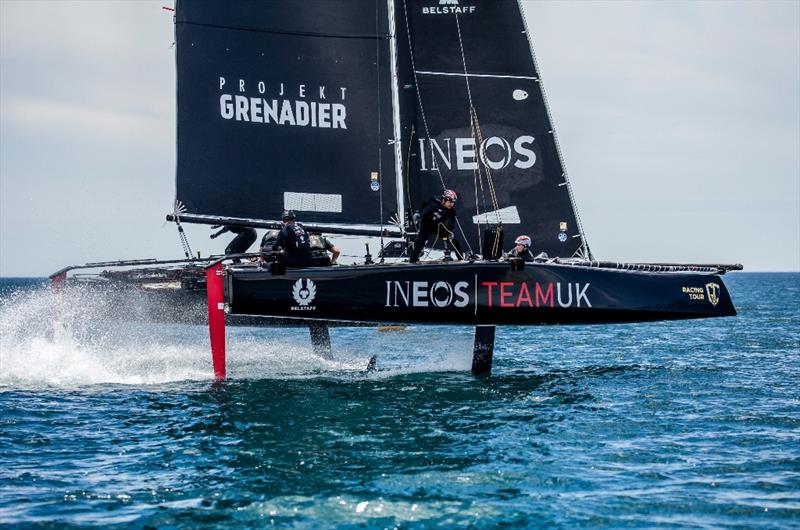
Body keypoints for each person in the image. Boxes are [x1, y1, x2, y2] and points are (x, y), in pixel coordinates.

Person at [409, 189, 463, 263]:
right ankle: (413, 260)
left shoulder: (451, 211)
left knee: (454, 241)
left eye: (453, 202)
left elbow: (451, 223)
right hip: (426, 225)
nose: (452, 204)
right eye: (450, 202)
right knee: (420, 243)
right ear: (445, 200)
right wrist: (418, 212)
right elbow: (424, 203)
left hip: (438, 226)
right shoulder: (434, 200)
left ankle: (461, 259)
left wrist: (450, 232)